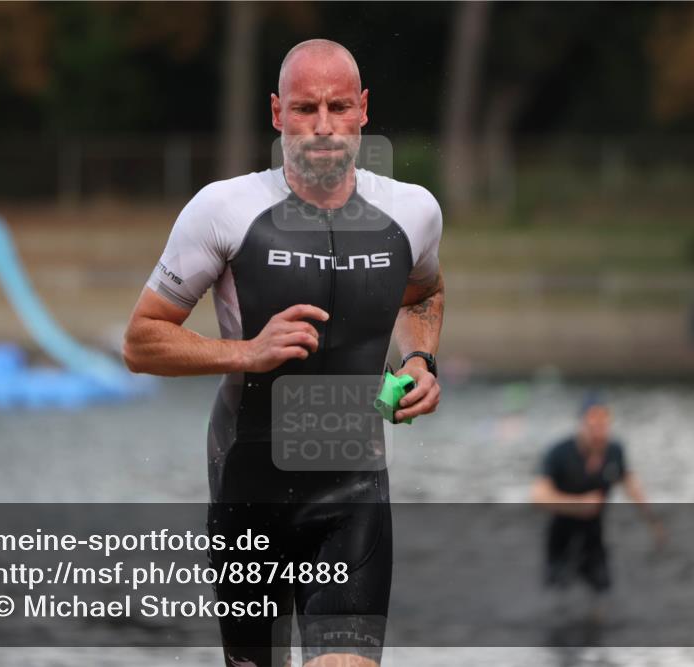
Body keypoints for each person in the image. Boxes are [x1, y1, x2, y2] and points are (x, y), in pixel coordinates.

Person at [123, 39, 444, 667]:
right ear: (276, 113)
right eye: (304, 109)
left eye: (337, 106)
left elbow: (424, 294)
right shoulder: (224, 210)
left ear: (363, 110)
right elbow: (141, 340)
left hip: (353, 497)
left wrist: (417, 363)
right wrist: (246, 351)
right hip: (251, 488)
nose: (322, 126)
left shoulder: (413, 212)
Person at [530, 393, 665, 597]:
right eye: (592, 422)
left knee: (602, 587)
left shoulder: (614, 450)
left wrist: (651, 520)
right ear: (582, 423)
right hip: (561, 531)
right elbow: (537, 496)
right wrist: (578, 504)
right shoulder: (559, 453)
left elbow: (630, 483)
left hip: (594, 532)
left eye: (603, 421)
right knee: (556, 589)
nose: (598, 429)